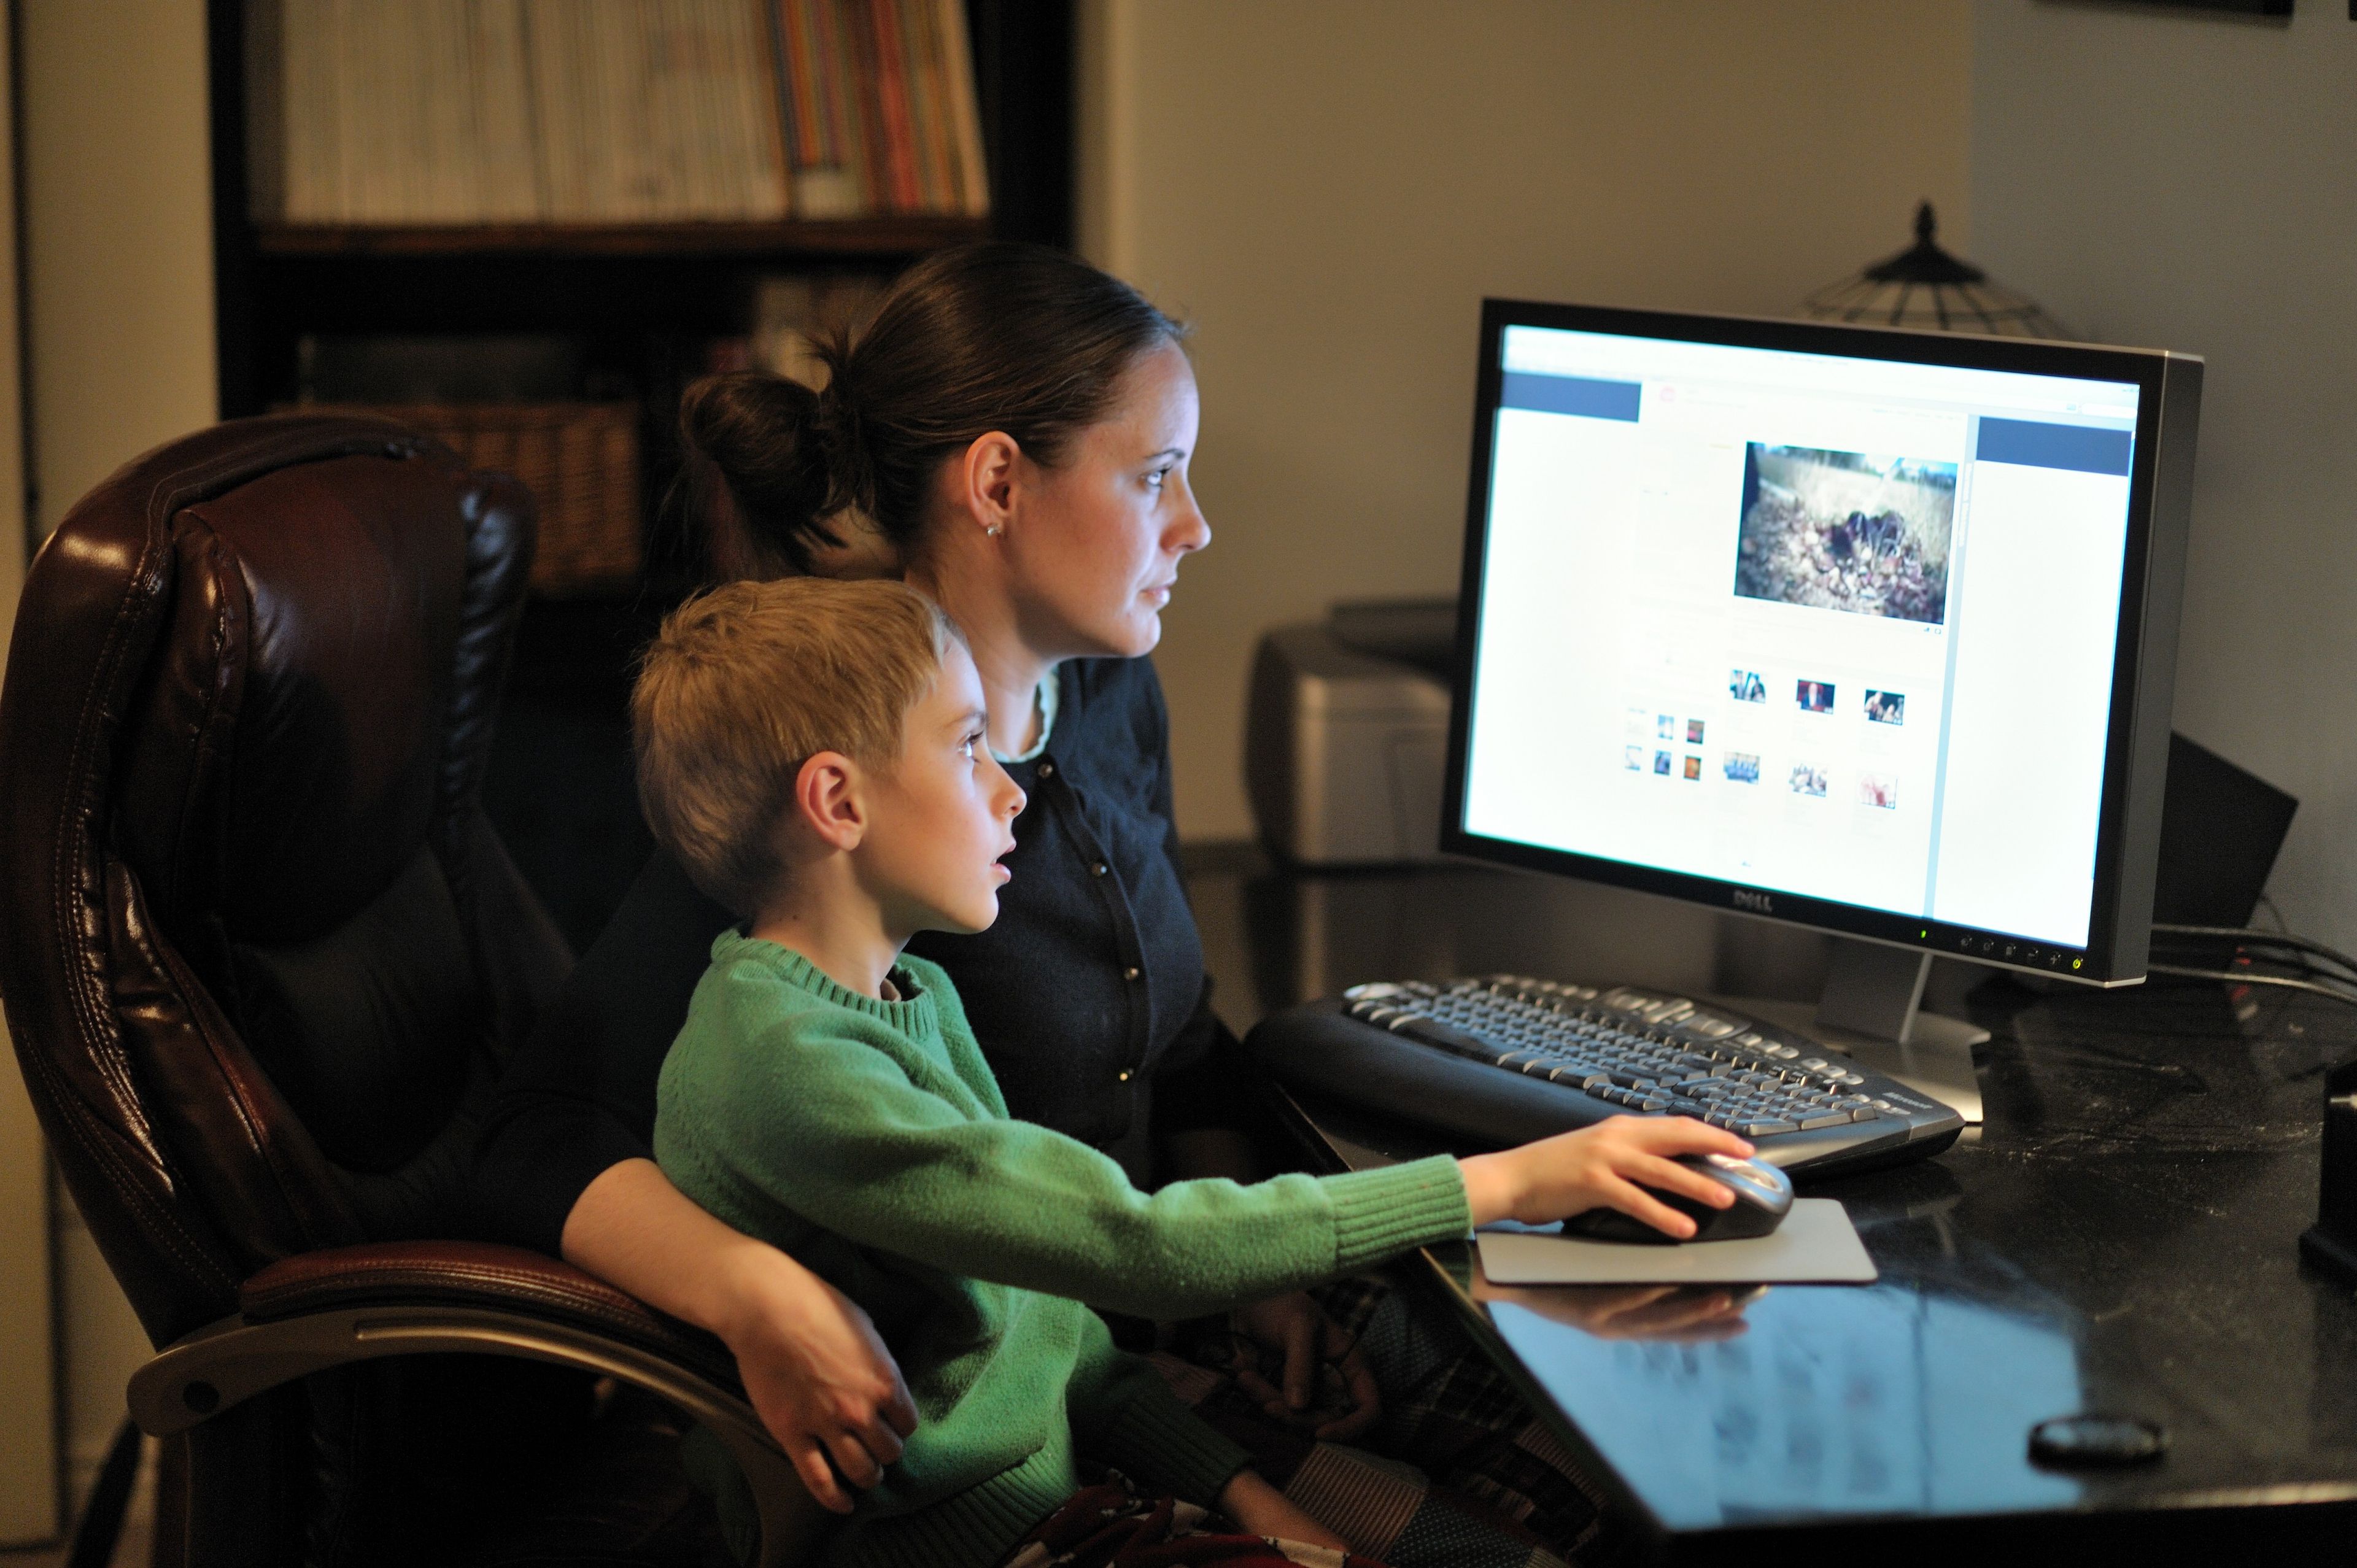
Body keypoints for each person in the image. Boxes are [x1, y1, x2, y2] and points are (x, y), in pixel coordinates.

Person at [470, 241, 1610, 1550]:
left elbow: (1176, 1043)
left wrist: (1268, 1283)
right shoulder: (839, 787)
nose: (1197, 526)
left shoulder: (1113, 688)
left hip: (1159, 1309)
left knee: (1589, 1443)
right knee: (1501, 1528)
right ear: (999, 483)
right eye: (1155, 476)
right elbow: (536, 1139)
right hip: (1049, 1378)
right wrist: (751, 1293)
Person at [632, 574, 1756, 1567]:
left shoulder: (911, 996)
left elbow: (1052, 1333)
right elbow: (1137, 1247)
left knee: (1521, 1532)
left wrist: (1245, 1490)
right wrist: (1510, 1182)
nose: (1012, 788)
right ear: (839, 802)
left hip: (1075, 1484)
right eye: (969, 745)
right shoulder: (791, 1067)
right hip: (984, 1539)